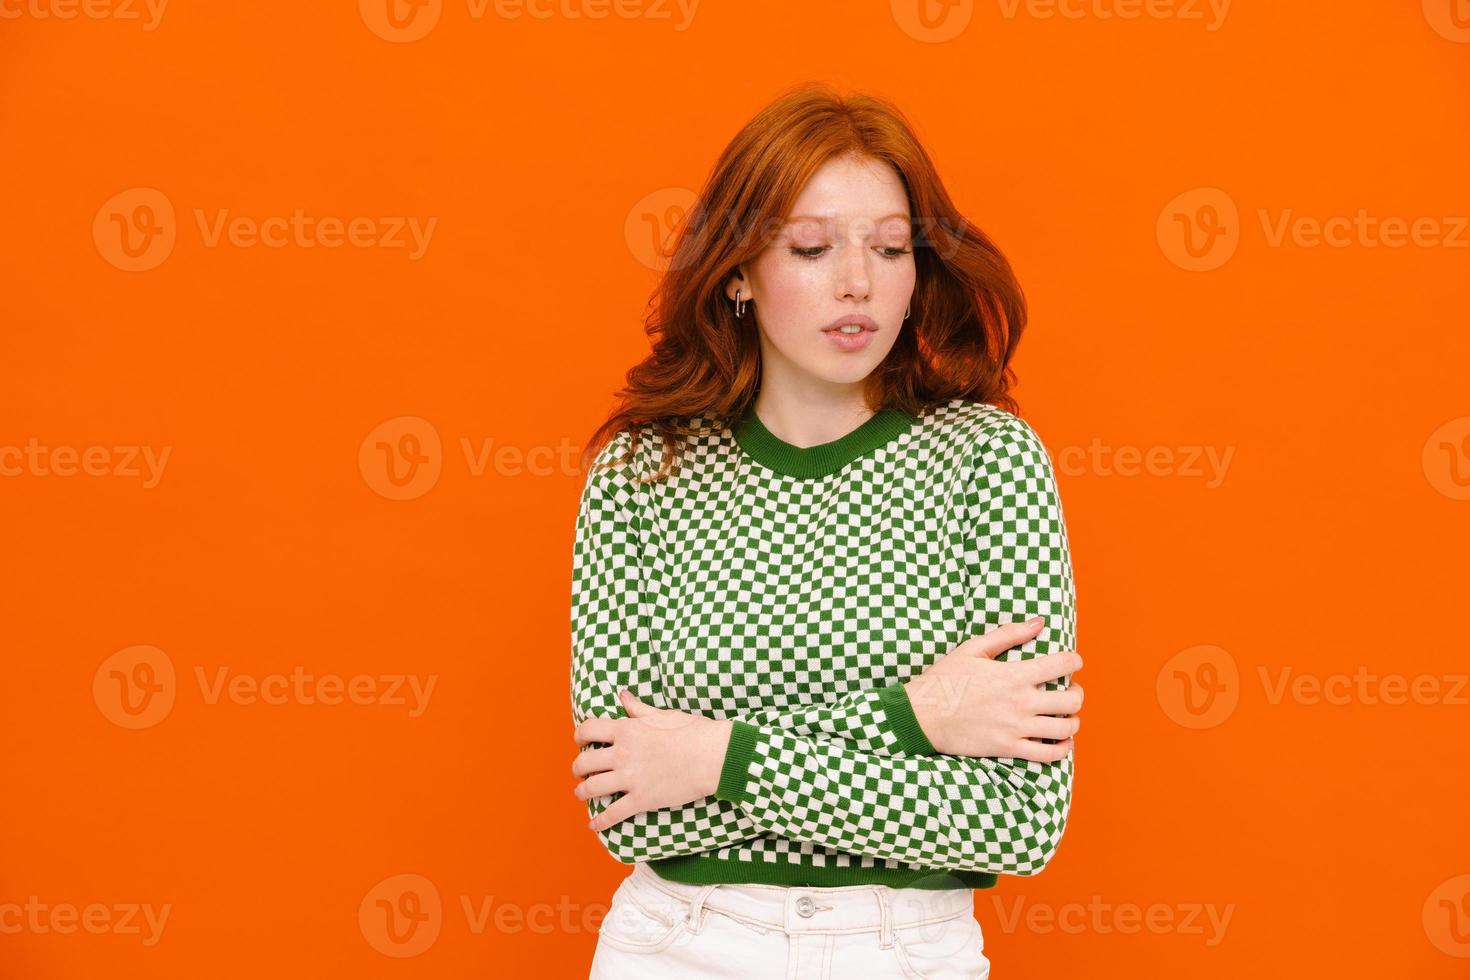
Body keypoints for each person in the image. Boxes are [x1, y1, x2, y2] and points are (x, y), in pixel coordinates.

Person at [569, 82, 1084, 979]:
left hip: (906, 953)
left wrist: (713, 755)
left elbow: (1016, 821)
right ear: (735, 270)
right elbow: (637, 807)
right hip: (678, 947)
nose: (858, 282)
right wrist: (922, 720)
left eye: (890, 248)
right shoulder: (642, 474)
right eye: (811, 247)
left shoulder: (988, 463)